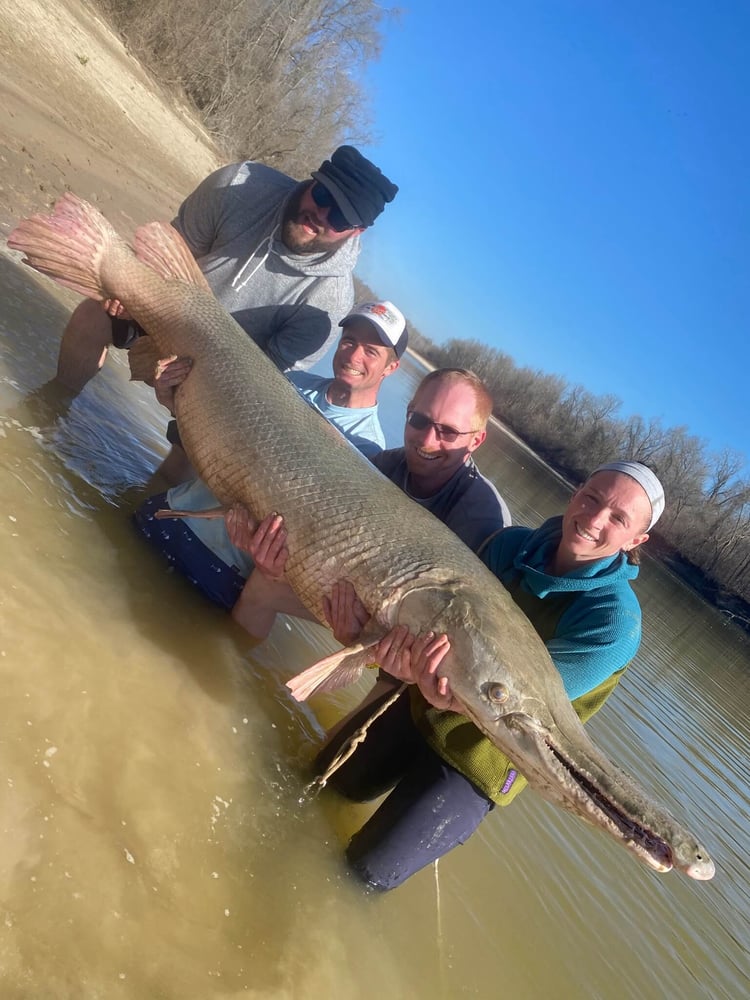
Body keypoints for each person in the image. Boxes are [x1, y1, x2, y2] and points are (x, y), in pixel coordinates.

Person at [313, 460, 665, 890]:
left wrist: (443, 690)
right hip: (423, 702)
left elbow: (517, 705)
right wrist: (379, 649)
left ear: (636, 539)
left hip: (484, 759)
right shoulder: (509, 545)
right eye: (592, 498)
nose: (594, 519)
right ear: (576, 493)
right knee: (318, 783)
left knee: (360, 875)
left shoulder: (615, 623)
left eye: (618, 517)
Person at [55, 145, 398, 482]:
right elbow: (168, 252)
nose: (321, 215)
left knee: (186, 471)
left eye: (338, 217)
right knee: (93, 316)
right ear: (313, 181)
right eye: (322, 196)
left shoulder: (330, 303)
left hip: (217, 379)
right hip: (164, 309)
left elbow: (263, 385)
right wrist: (129, 294)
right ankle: (51, 407)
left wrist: (183, 388)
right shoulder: (239, 185)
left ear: (357, 231)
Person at [133, 300, 408, 614]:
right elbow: (212, 436)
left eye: (371, 351)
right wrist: (170, 395)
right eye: (349, 341)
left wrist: (257, 547)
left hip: (219, 567)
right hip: (168, 511)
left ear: (391, 367)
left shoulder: (369, 454)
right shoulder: (289, 384)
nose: (354, 355)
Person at [231, 367, 512, 639]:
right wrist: (277, 562)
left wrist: (367, 644)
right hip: (362, 593)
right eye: (419, 420)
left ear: (476, 440)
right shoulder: (384, 465)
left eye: (448, 432)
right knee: (263, 584)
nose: (427, 440)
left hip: (418, 643)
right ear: (408, 411)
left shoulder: (484, 518)